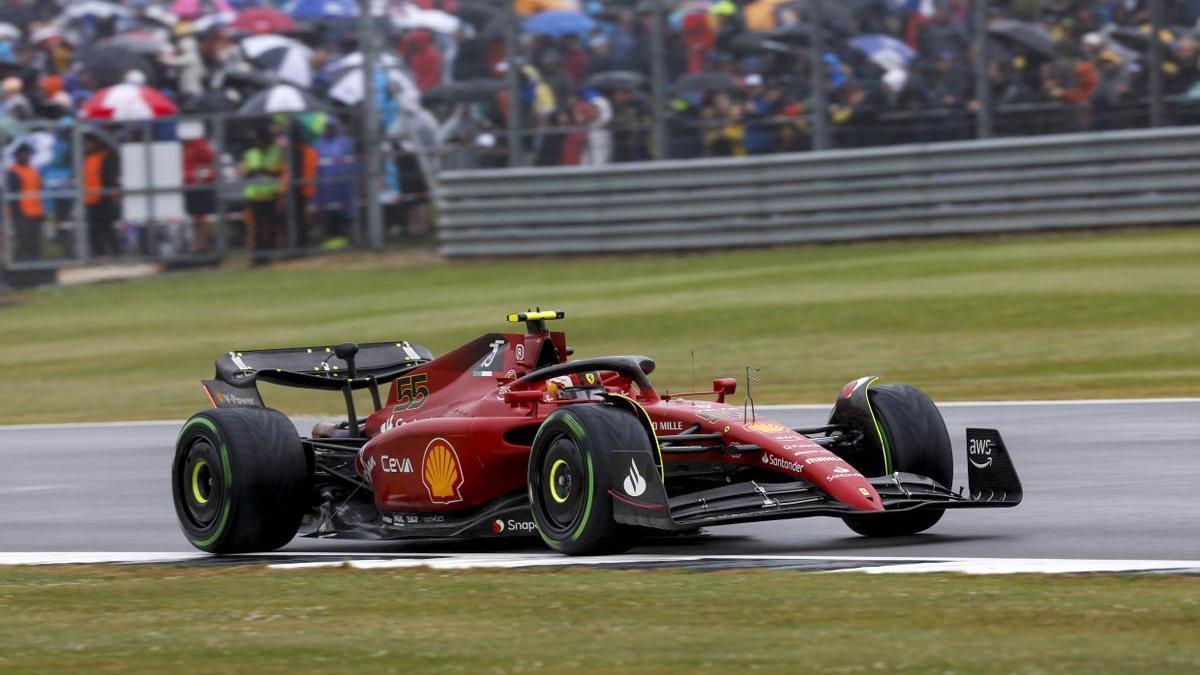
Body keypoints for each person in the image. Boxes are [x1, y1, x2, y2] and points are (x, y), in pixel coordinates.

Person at [240, 128, 283, 262]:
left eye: (262, 140)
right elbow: (245, 171)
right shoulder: (250, 154)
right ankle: (258, 256)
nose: (259, 143)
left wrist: (263, 171)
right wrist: (255, 171)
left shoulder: (276, 153)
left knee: (271, 226)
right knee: (256, 227)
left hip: (271, 195)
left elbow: (278, 170)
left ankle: (269, 254)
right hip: (255, 196)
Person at [180, 121, 216, 254]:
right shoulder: (183, 146)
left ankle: (202, 246)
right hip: (187, 186)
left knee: (200, 218)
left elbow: (212, 162)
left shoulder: (199, 145)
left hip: (199, 186)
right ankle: (197, 245)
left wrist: (201, 176)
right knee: (195, 218)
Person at [82, 135, 120, 258]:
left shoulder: (106, 156)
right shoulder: (85, 158)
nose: (88, 146)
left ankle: (116, 253)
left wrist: (109, 194)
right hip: (90, 199)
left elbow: (110, 177)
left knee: (107, 228)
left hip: (103, 199)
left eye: (90, 143)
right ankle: (99, 253)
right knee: (92, 229)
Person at [6, 144, 44, 261]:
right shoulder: (13, 172)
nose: (25, 156)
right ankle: (20, 264)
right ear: (17, 156)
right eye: (22, 154)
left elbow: (39, 189)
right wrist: (16, 213)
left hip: (35, 211)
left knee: (35, 240)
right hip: (22, 212)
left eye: (27, 154)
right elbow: (11, 195)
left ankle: (34, 262)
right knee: (24, 240)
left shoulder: (34, 170)